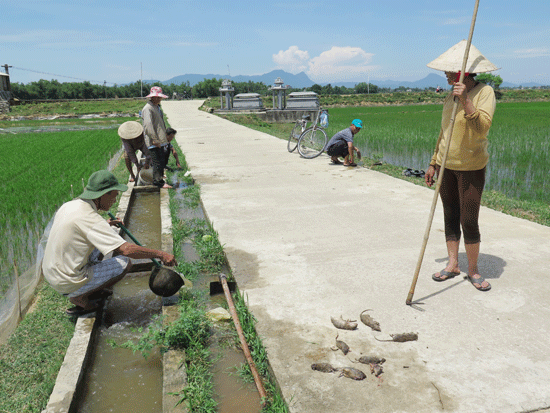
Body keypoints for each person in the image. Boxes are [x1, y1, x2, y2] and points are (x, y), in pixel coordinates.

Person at [41, 170, 177, 315]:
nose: (115, 199)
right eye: (114, 194)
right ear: (103, 194)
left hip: (53, 273)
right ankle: (79, 296)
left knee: (108, 235)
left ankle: (91, 288)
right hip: (67, 280)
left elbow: (81, 230)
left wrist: (107, 224)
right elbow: (126, 250)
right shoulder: (89, 218)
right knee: (124, 263)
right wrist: (160, 254)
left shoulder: (70, 206)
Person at [424, 40, 498, 292]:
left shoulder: (484, 92)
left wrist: (466, 99)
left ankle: (474, 270)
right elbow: (444, 132)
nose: (445, 73)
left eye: (449, 69)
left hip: (471, 167)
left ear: (463, 72)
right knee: (450, 216)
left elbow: (482, 128)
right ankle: (453, 264)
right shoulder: (448, 96)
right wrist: (434, 162)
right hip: (446, 166)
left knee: (469, 220)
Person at [142, 86, 172, 189]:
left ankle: (159, 177)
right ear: (152, 97)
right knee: (157, 162)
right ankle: (158, 182)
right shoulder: (148, 108)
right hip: (153, 141)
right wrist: (154, 139)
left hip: (159, 140)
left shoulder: (156, 107)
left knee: (161, 160)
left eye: (160, 97)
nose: (159, 99)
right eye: (157, 97)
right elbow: (148, 125)